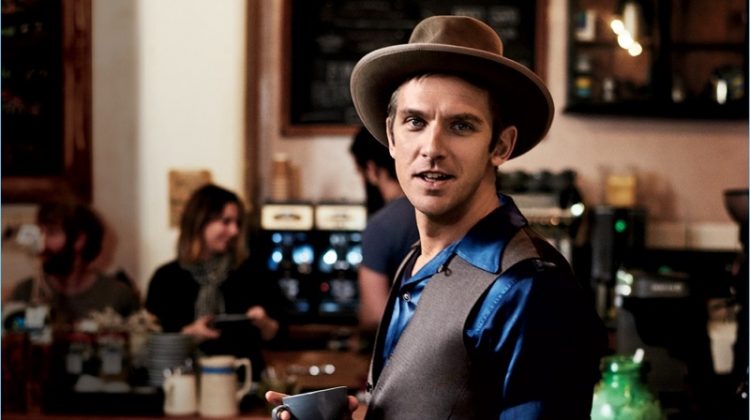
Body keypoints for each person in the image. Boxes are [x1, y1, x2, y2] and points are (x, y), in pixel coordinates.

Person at [269, 15, 607, 419]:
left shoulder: (530, 288)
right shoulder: (417, 260)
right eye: (415, 121)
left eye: (461, 125)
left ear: (500, 145)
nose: (432, 147)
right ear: (392, 136)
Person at [145, 184, 287, 381]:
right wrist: (189, 335)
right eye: (226, 221)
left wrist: (265, 323)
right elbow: (150, 341)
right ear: (199, 222)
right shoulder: (166, 278)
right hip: (181, 387)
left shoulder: (252, 272)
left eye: (237, 223)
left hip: (243, 387)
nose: (234, 230)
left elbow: (281, 336)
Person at [9, 199, 140, 327]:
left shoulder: (118, 296)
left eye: (51, 233)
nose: (41, 243)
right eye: (40, 232)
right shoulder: (25, 292)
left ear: (79, 240)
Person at [350, 127, 420, 334]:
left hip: (399, 351)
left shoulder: (380, 226)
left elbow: (375, 317)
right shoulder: (440, 213)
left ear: (371, 169)